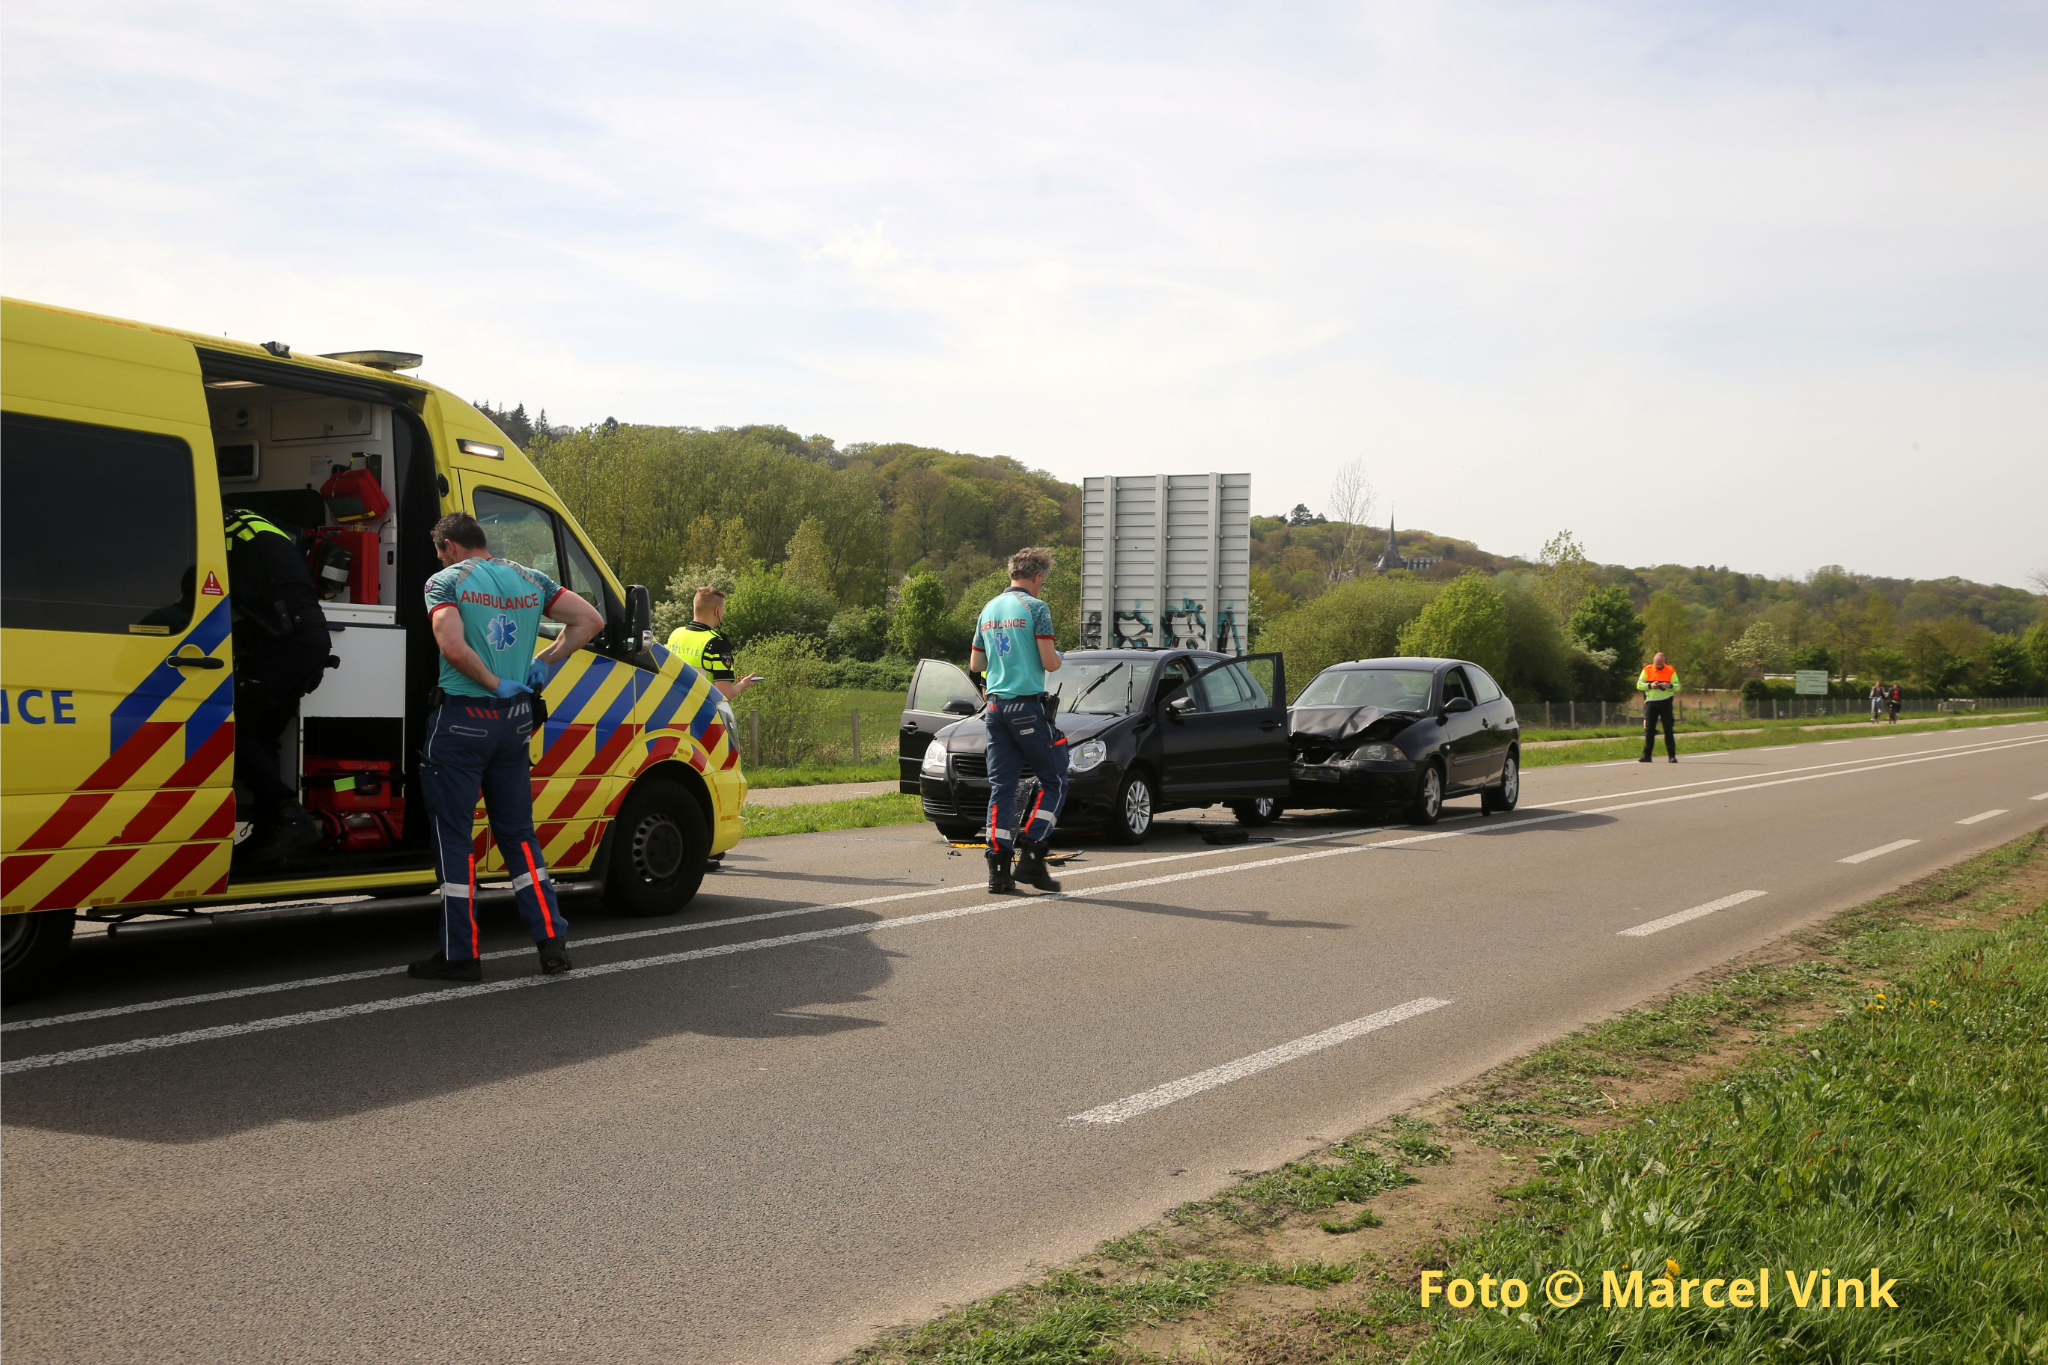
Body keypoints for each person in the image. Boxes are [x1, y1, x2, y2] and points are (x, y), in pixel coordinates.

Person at [409, 512, 605, 983]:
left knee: (455, 839)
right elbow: (590, 620)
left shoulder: (445, 581)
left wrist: (493, 682)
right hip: (515, 723)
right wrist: (545, 660)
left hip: (462, 723)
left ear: (450, 546)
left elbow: (453, 648)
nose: (441, 558)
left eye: (441, 552)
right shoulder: (528, 577)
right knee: (518, 834)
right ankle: (551, 941)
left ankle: (461, 955)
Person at [223, 506, 333, 865]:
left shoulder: (216, 527)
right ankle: (275, 829)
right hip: (307, 638)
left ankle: (288, 816)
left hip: (284, 641)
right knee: (262, 734)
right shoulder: (254, 523)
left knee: (233, 731)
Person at [969, 547, 1067, 895]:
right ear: (1038, 577)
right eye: (1044, 581)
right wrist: (1059, 655)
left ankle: (998, 872)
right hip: (1025, 707)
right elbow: (1050, 663)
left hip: (994, 709)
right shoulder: (1036, 608)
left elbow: (977, 664)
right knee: (1054, 779)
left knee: (1003, 787)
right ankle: (1033, 853)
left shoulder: (988, 608)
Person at [665, 585, 760, 701]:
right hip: (700, 712)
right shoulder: (717, 644)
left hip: (671, 707)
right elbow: (725, 693)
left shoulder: (675, 634)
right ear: (717, 611)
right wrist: (743, 684)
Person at [1637, 651, 1680, 763]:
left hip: (1666, 702)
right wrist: (1650, 685)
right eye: (1657, 664)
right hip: (1651, 702)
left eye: (1660, 664)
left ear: (1664, 662)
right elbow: (1638, 685)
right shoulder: (1646, 669)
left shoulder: (1671, 670)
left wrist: (1669, 685)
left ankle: (1672, 756)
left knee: (1668, 729)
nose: (1658, 666)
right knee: (1649, 729)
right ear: (1653, 661)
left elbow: (1678, 686)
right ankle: (1647, 756)